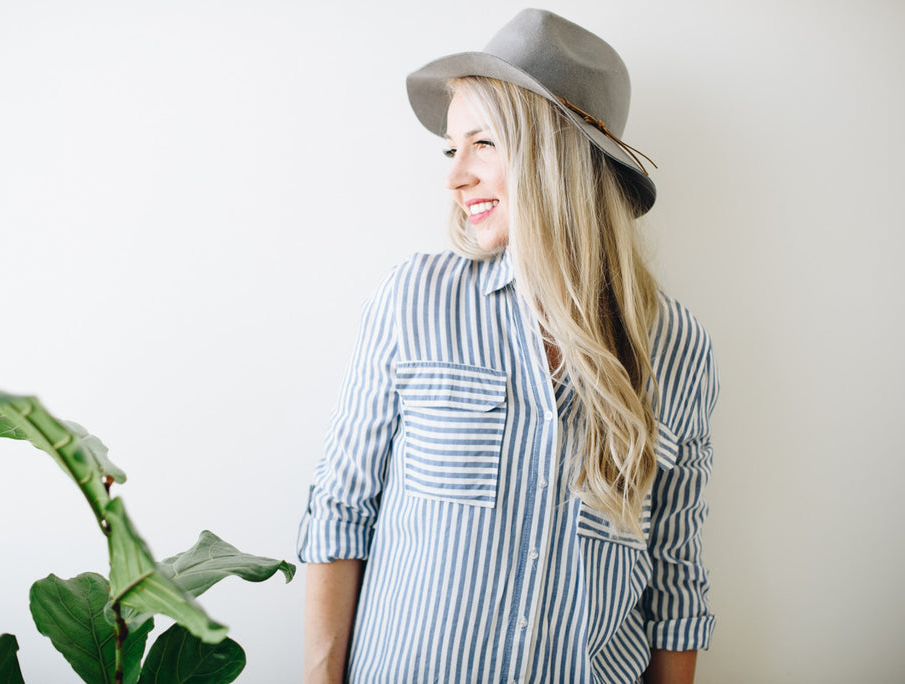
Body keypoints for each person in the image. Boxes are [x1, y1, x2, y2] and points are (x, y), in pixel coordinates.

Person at [298, 9, 718, 684]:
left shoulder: (676, 346)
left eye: (483, 143)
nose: (454, 176)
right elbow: (339, 513)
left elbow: (675, 573)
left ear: (556, 151)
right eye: (450, 148)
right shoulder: (416, 301)